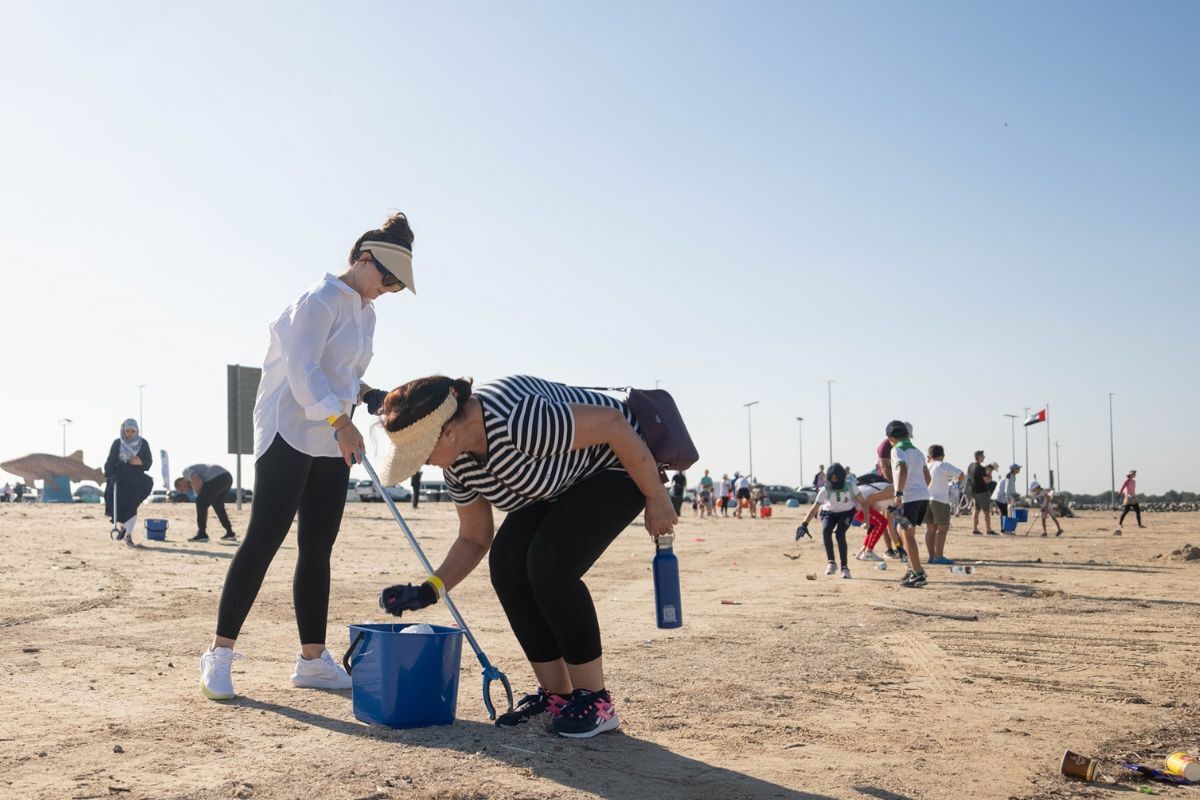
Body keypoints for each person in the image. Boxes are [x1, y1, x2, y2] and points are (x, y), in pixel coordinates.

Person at [375, 374, 677, 739]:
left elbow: (613, 424)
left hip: (619, 462)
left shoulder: (516, 421)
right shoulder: (458, 464)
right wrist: (428, 590)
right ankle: (558, 696)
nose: (423, 463)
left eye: (422, 453)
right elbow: (474, 538)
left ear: (448, 432)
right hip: (559, 480)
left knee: (550, 565)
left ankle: (596, 702)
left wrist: (656, 495)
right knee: (506, 566)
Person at [198, 211, 415, 702]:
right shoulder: (319, 300)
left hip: (332, 438)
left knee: (317, 547)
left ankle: (312, 661)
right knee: (264, 538)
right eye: (388, 279)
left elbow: (342, 375)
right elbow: (303, 370)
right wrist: (341, 422)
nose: (389, 290)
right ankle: (219, 653)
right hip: (289, 430)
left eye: (397, 286)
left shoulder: (367, 313)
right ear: (365, 259)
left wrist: (370, 396)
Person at [796, 463, 871, 579]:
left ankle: (844, 567)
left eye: (836, 479)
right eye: (832, 479)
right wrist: (804, 524)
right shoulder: (825, 489)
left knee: (840, 534)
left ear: (842, 478)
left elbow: (864, 502)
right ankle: (831, 562)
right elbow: (815, 507)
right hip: (829, 513)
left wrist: (866, 520)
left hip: (846, 513)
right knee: (826, 531)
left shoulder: (850, 486)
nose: (834, 481)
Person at [886, 420, 931, 588]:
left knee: (908, 534)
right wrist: (921, 490)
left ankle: (918, 574)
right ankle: (913, 568)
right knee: (901, 529)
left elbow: (902, 470)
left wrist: (899, 493)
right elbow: (927, 476)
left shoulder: (896, 450)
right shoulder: (918, 452)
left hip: (909, 498)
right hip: (922, 497)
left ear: (891, 438)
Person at [104, 419, 154, 547]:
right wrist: (112, 475)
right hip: (119, 481)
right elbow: (109, 462)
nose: (130, 433)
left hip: (136, 481)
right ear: (123, 430)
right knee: (120, 509)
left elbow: (148, 462)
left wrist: (140, 462)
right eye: (127, 431)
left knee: (132, 508)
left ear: (136, 431)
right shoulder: (117, 443)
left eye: (133, 431)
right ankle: (123, 527)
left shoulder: (143, 443)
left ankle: (128, 535)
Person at [175, 464, 238, 542]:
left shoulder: (185, 472)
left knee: (200, 503)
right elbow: (200, 489)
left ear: (180, 483)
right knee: (218, 505)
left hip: (217, 478)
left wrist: (201, 498)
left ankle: (202, 534)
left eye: (182, 490)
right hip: (227, 477)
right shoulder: (192, 482)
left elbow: (197, 480)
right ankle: (230, 533)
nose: (184, 492)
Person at [925, 445, 965, 564]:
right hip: (940, 500)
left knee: (930, 530)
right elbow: (961, 474)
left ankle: (931, 556)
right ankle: (939, 556)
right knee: (942, 529)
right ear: (942, 456)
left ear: (929, 456)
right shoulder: (943, 465)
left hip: (926, 499)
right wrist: (954, 482)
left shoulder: (926, 466)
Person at [967, 450, 995, 536]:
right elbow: (987, 481)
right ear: (979, 457)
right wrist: (990, 474)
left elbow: (969, 476)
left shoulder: (971, 465)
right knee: (986, 512)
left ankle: (975, 529)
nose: (984, 457)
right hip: (982, 492)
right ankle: (988, 529)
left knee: (976, 510)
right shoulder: (981, 468)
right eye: (983, 456)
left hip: (974, 491)